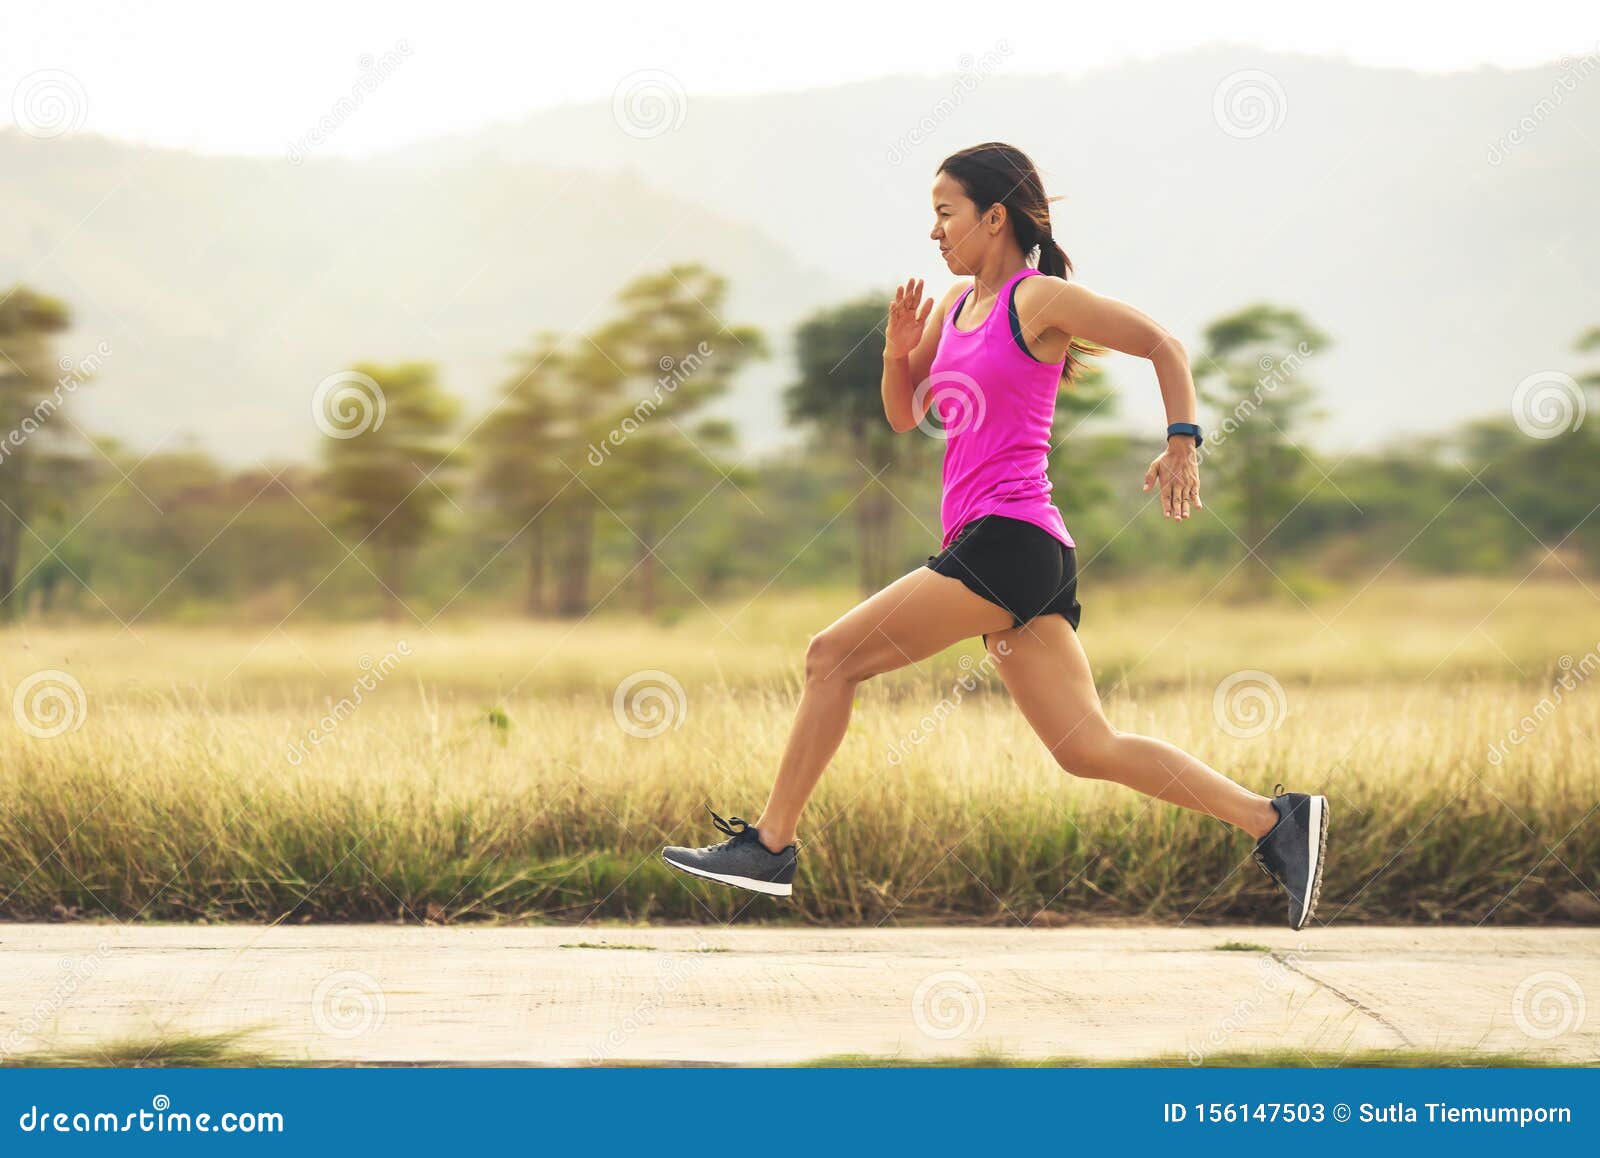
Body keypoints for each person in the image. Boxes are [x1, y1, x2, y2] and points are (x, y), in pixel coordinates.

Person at [662, 141, 1327, 930]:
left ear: (995, 216)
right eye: (933, 216)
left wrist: (1183, 440)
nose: (935, 233)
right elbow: (906, 415)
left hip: (1006, 539)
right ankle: (1274, 821)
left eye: (946, 214)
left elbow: (1163, 345)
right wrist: (895, 351)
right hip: (1023, 553)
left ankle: (772, 846)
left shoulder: (1035, 301)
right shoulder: (952, 309)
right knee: (1087, 749)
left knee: (829, 658)